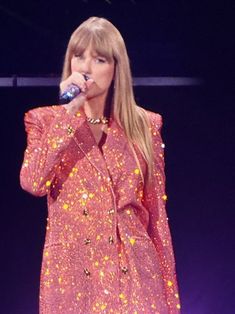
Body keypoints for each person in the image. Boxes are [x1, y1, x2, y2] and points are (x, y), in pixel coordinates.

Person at [20, 16, 180, 314]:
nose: (85, 67)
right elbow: (33, 182)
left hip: (136, 276)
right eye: (78, 56)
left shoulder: (146, 125)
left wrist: (170, 304)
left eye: (99, 59)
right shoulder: (44, 120)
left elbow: (158, 219)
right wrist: (69, 111)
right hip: (73, 279)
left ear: (116, 68)